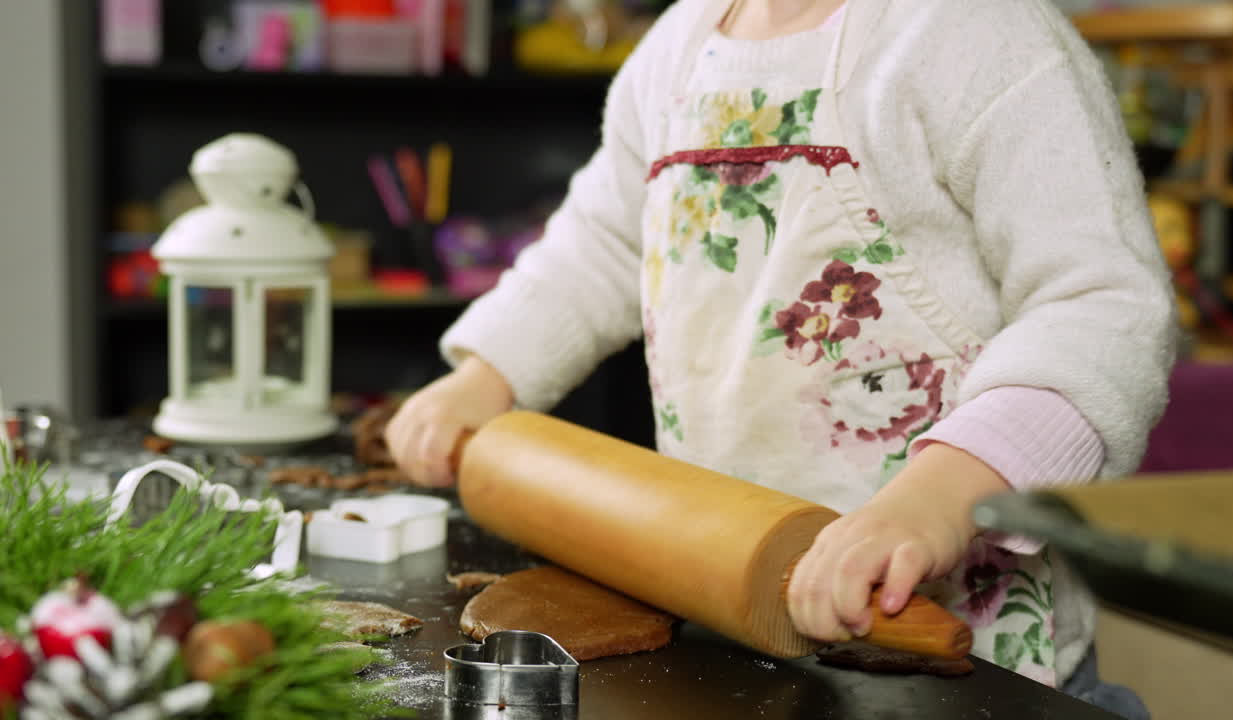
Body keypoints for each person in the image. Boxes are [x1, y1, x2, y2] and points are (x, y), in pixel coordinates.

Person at [386, 1, 1174, 717]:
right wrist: (486, 374)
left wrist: (942, 497)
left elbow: (1103, 309)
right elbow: (599, 246)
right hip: (737, 614)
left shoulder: (977, 34)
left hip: (970, 657)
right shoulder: (676, 50)